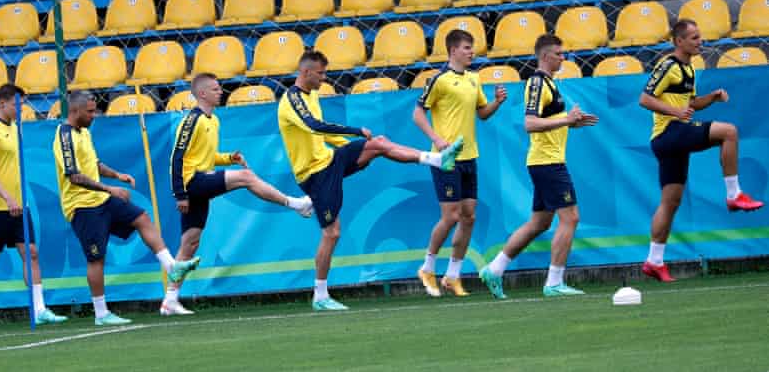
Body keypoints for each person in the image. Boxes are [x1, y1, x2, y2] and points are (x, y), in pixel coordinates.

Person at [278, 50, 464, 311]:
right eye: (320, 73)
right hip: (315, 175)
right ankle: (320, 295)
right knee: (332, 233)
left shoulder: (312, 94)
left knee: (378, 144)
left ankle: (436, 160)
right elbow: (315, 126)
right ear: (306, 72)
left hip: (330, 161)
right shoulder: (291, 100)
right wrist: (354, 132)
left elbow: (321, 136)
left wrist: (351, 146)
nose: (324, 77)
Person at [162, 73, 314, 315]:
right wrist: (179, 193)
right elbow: (177, 158)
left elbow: (206, 157)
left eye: (219, 88)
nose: (220, 91)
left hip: (201, 181)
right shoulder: (192, 120)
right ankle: (296, 204)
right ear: (202, 94)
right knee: (245, 177)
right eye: (214, 89)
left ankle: (170, 299)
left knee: (190, 243)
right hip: (191, 183)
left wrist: (228, 158)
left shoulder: (214, 120)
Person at [53, 91, 199, 326]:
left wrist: (116, 175)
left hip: (100, 199)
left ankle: (171, 266)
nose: (94, 115)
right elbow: (73, 176)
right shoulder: (64, 135)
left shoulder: (84, 133)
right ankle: (101, 314)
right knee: (96, 259)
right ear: (75, 111)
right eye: (90, 111)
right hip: (81, 206)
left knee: (141, 217)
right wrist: (110, 189)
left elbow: (94, 164)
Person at [639, 19, 763, 282]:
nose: (700, 42)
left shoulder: (689, 69)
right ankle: (734, 194)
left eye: (700, 36)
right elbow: (645, 98)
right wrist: (675, 111)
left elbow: (692, 103)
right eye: (694, 38)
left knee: (670, 202)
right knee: (729, 132)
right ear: (679, 41)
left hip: (672, 137)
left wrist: (712, 98)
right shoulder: (668, 65)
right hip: (669, 133)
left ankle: (654, 260)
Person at [479, 35, 598, 299]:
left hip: (546, 161)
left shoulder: (549, 84)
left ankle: (494, 269)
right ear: (544, 56)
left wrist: (571, 122)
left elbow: (547, 120)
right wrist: (566, 119)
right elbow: (530, 123)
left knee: (540, 223)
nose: (563, 58)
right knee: (571, 217)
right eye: (558, 53)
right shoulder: (536, 82)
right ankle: (554, 282)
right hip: (547, 162)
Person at [0, 84, 67, 329]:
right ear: (2, 104)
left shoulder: (16, 129)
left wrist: (17, 198)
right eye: (17, 104)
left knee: (31, 253)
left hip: (20, 205)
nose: (21, 108)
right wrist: (7, 197)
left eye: (23, 104)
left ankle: (39, 309)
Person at [413, 30, 507, 297]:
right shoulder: (438, 80)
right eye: (466, 48)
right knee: (451, 216)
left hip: (469, 157)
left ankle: (452, 276)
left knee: (469, 216)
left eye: (472, 48)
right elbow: (417, 113)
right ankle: (427, 267)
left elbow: (483, 114)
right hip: (446, 159)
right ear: (453, 50)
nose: (471, 52)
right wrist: (436, 139)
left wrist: (497, 103)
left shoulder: (475, 79)